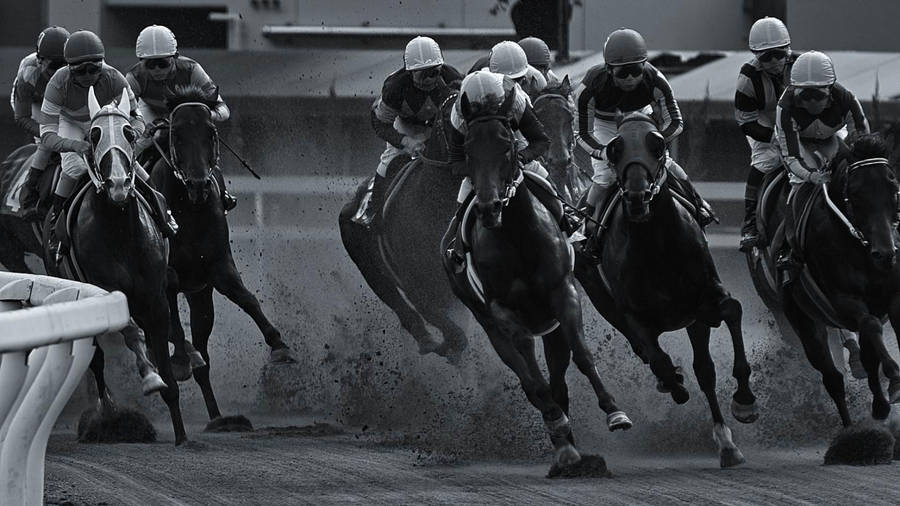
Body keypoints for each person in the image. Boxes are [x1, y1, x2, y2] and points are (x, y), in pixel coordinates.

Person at [40, 30, 177, 259]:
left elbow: (138, 119)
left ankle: (164, 216)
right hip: (71, 122)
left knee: (136, 170)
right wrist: (74, 145)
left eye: (93, 69)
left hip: (105, 120)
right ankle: (56, 223)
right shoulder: (57, 84)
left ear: (102, 65)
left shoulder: (115, 79)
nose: (87, 75)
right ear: (68, 69)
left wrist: (129, 136)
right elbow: (46, 135)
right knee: (75, 168)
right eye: (79, 71)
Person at [575, 28, 714, 249]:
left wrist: (659, 141)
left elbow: (675, 122)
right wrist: (602, 151)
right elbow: (582, 133)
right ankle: (586, 227)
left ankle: (699, 204)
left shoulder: (656, 79)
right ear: (609, 70)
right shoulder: (589, 87)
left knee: (665, 163)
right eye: (622, 73)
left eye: (636, 70)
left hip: (639, 117)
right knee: (604, 175)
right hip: (604, 124)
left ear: (645, 66)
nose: (630, 78)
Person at [443, 70, 551, 273]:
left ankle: (569, 225)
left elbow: (541, 140)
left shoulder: (517, 102)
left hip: (511, 145)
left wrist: (521, 157)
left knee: (548, 186)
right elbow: (456, 162)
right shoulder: (458, 117)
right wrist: (481, 168)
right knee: (460, 210)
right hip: (480, 159)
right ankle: (455, 246)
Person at [774, 50, 869, 281]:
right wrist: (811, 176)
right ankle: (789, 248)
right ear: (795, 91)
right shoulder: (785, 107)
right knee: (798, 185)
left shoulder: (847, 98)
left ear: (830, 90)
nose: (811, 102)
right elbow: (792, 157)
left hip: (835, 136)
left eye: (818, 95)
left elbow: (863, 139)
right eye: (804, 96)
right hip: (799, 143)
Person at [352, 36, 463, 228]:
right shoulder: (395, 87)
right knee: (387, 162)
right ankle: (372, 210)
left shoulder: (453, 78)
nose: (430, 80)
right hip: (405, 126)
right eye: (422, 75)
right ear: (410, 72)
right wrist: (406, 142)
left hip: (441, 124)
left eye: (434, 72)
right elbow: (380, 124)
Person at [126, 25, 235, 211]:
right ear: (141, 62)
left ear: (174, 58)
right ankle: (135, 186)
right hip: (151, 113)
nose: (157, 69)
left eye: (163, 63)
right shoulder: (133, 77)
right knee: (145, 140)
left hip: (186, 118)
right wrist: (141, 128)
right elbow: (122, 113)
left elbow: (223, 109)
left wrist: (206, 115)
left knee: (200, 141)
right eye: (150, 64)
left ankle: (221, 190)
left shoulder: (192, 69)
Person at [735, 17, 796, 251]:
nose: (774, 62)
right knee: (765, 161)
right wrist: (774, 137)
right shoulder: (747, 79)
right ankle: (750, 222)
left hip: (800, 119)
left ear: (788, 50)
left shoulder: (803, 66)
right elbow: (745, 122)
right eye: (766, 57)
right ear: (755, 55)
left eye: (779, 54)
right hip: (764, 121)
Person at [12, 26, 70, 217]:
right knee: (48, 143)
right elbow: (22, 117)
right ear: (40, 61)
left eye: (65, 65)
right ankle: (29, 194)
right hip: (36, 102)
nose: (60, 72)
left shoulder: (79, 67)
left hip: (65, 102)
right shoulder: (28, 73)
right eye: (55, 66)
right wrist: (50, 135)